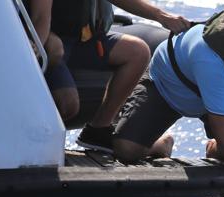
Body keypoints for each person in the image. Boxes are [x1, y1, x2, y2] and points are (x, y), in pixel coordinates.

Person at [111, 2, 224, 197]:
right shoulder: (208, 56)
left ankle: (215, 149)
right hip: (169, 89)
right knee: (125, 150)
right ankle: (161, 144)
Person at [41, 0, 190, 153]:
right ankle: (41, 147)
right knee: (67, 105)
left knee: (138, 52)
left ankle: (98, 129)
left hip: (83, 38)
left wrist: (162, 16)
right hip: (52, 40)